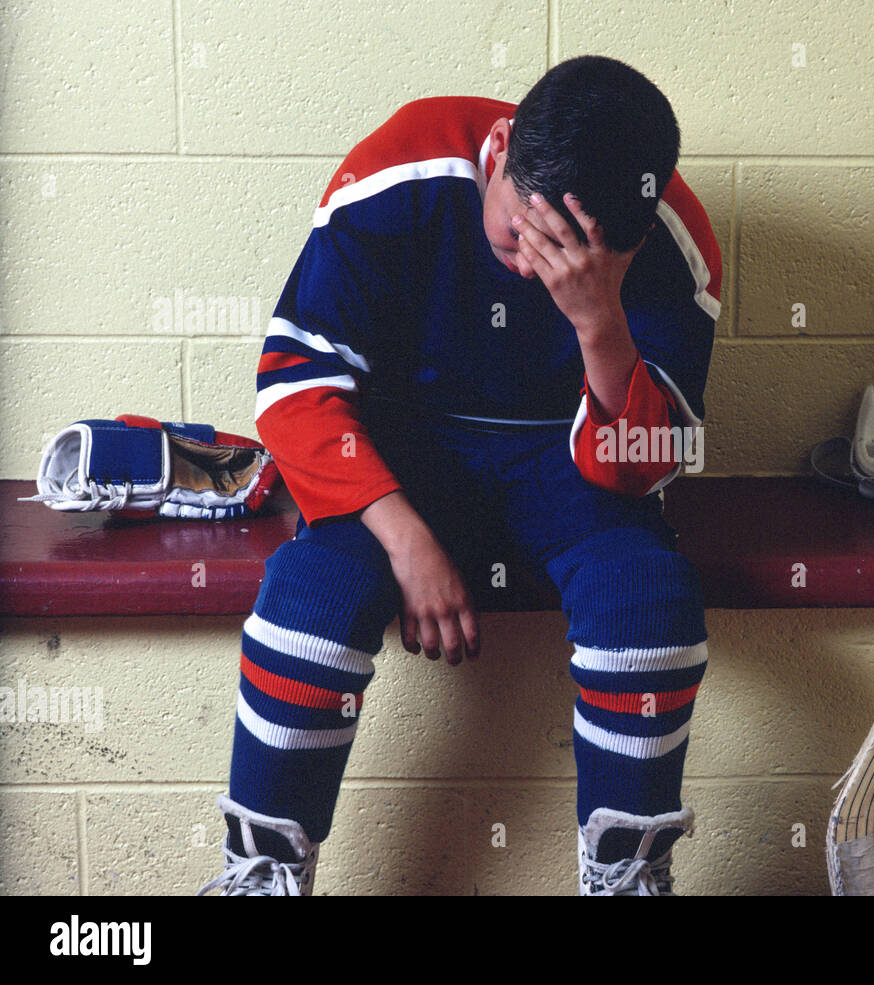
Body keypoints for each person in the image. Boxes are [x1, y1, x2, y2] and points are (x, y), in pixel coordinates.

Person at [197, 55, 722, 896]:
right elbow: (295, 384)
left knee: (648, 593)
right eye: (526, 228)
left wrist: (598, 320)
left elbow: (649, 467)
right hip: (407, 454)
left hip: (567, 460)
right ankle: (261, 870)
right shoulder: (403, 165)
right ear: (502, 147)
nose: (534, 263)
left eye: (574, 250)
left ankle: (628, 876)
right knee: (313, 589)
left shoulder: (670, 237)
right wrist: (405, 538)